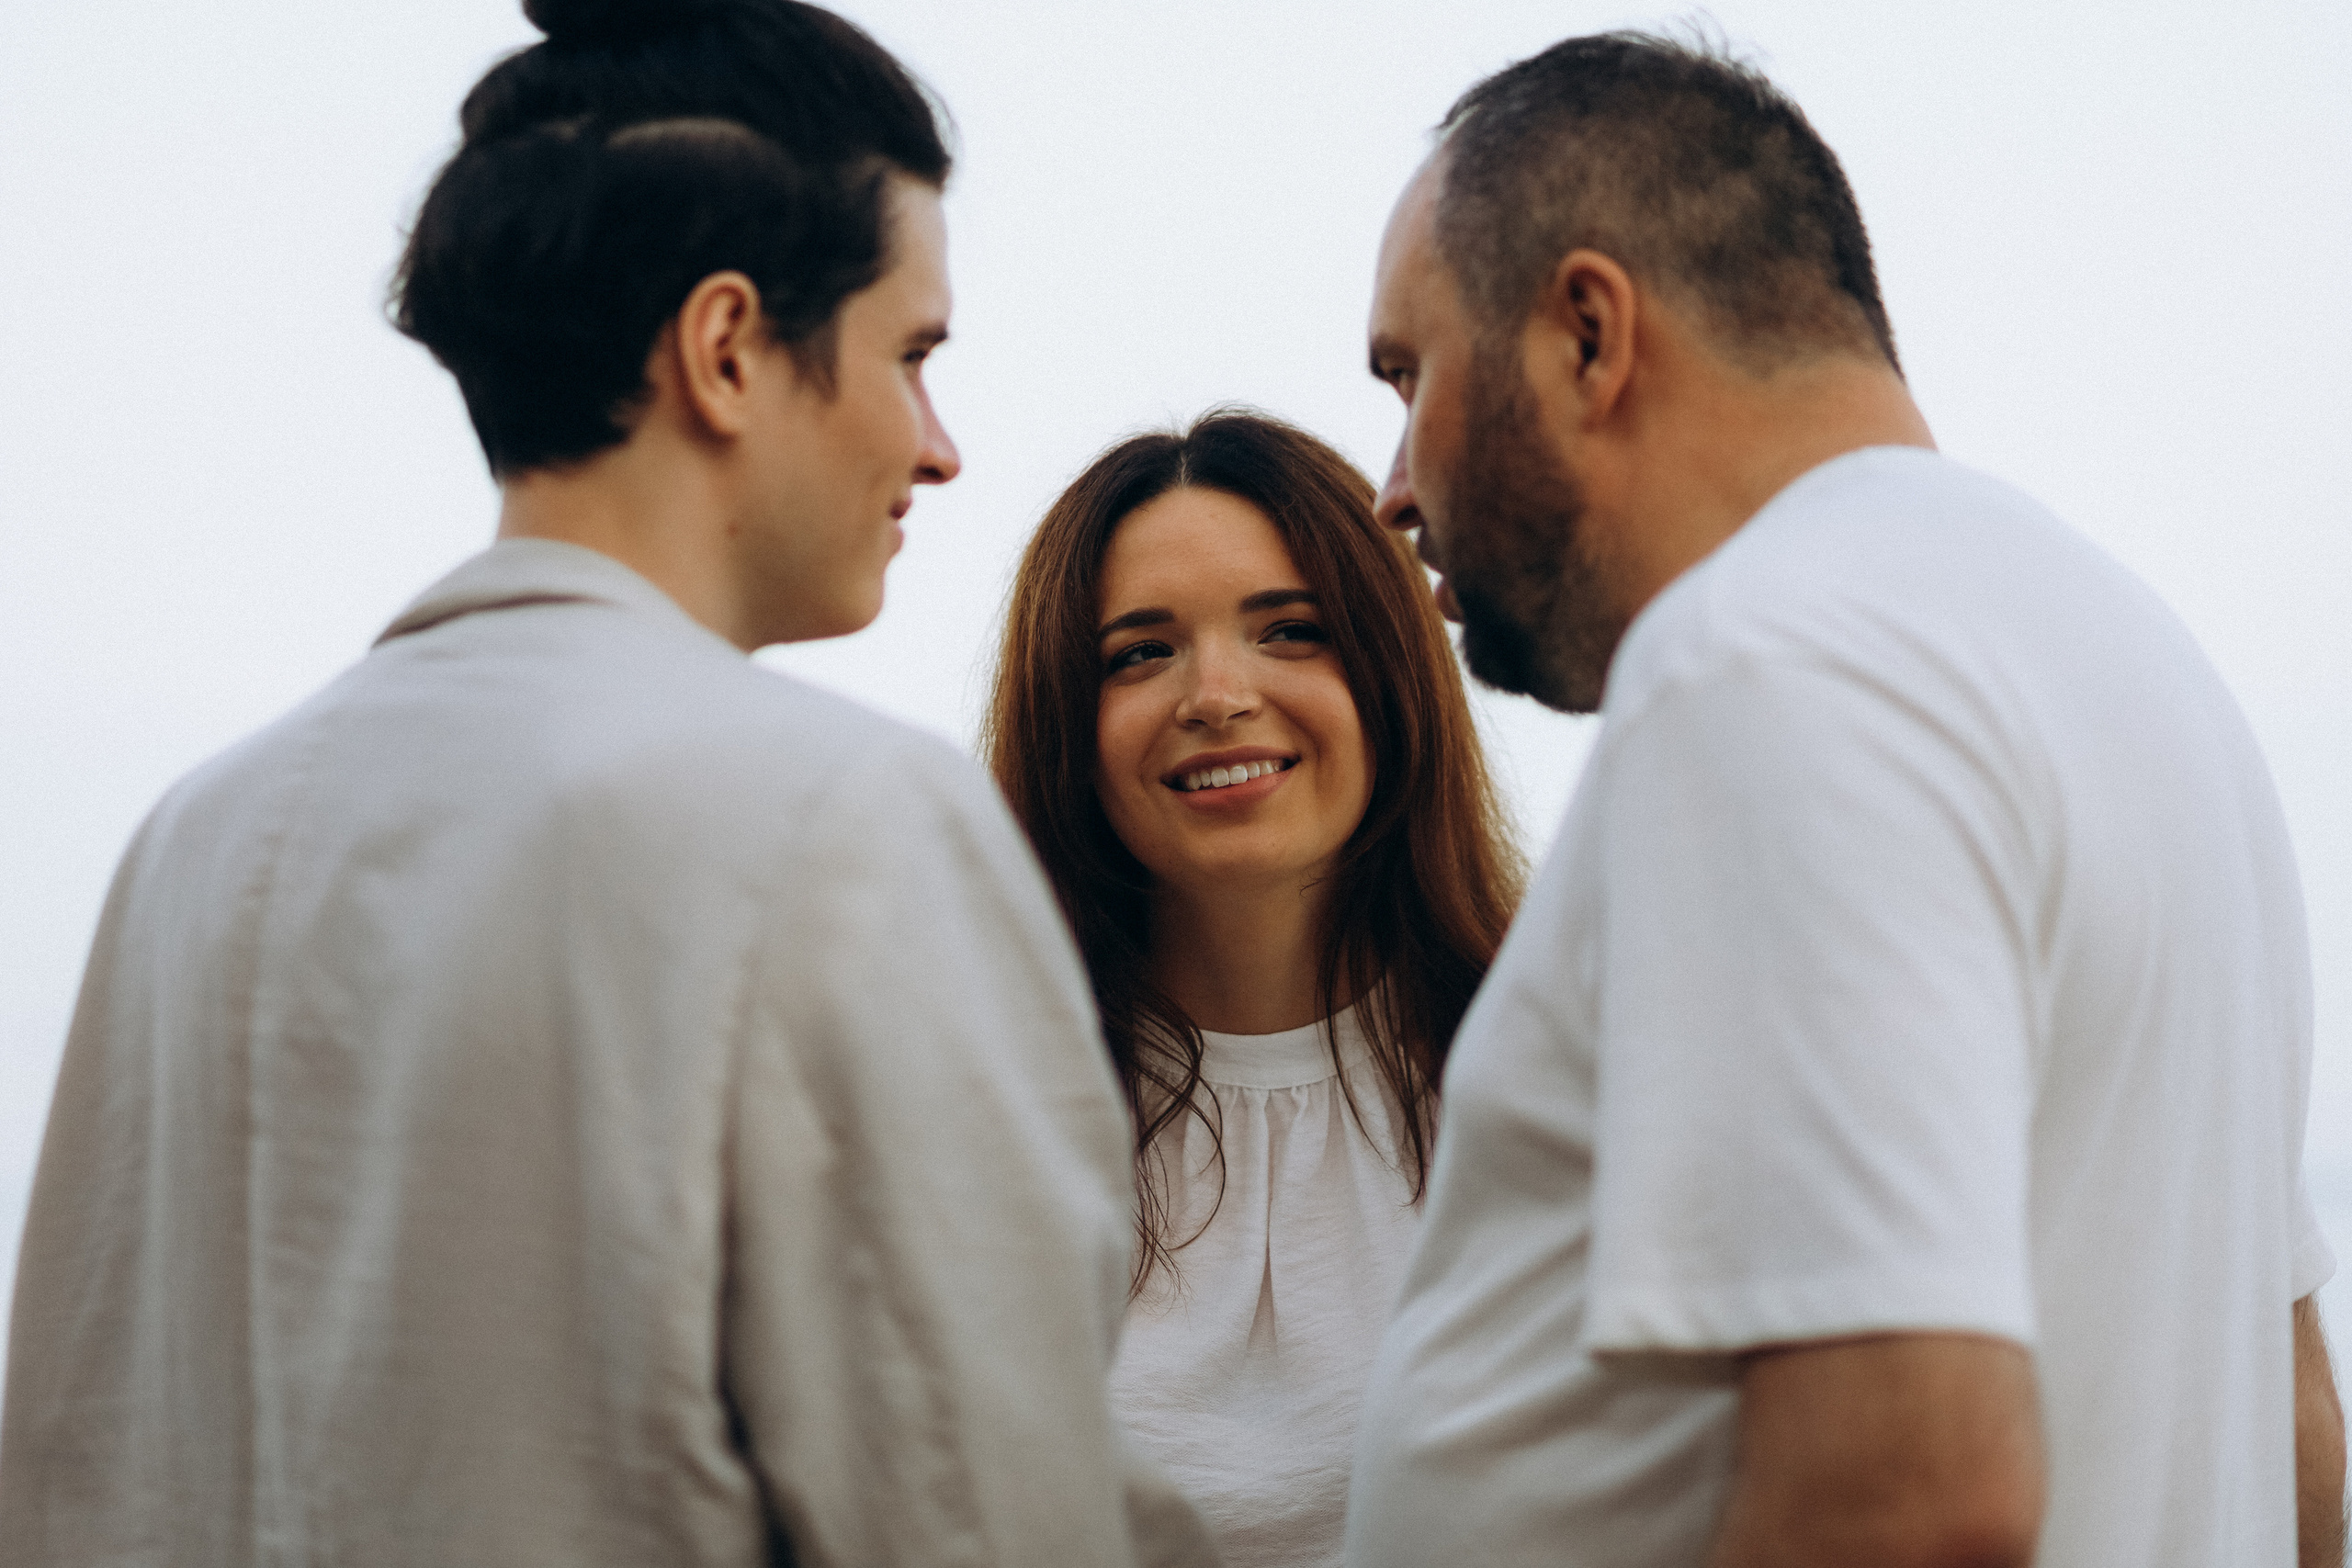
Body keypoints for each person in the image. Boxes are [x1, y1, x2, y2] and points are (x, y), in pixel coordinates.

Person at [0, 3, 1215, 1564]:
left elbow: (67, 1469)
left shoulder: (194, 843)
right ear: (726, 350)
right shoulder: (839, 822)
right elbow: (983, 1512)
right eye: (912, 354)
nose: (940, 446)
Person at [1346, 31, 2345, 1568]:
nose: (1393, 485)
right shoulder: (2144, 675)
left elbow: (1906, 1496)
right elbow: (2293, 1439)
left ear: (1587, 335)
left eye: (1413, 375)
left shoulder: (1767, 660)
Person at [983, 411, 1522, 1567]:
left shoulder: (1560, 1060)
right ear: (1065, 725)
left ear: (1388, 669)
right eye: (1140, 651)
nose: (1215, 694)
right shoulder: (967, 1109)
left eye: (1290, 632)